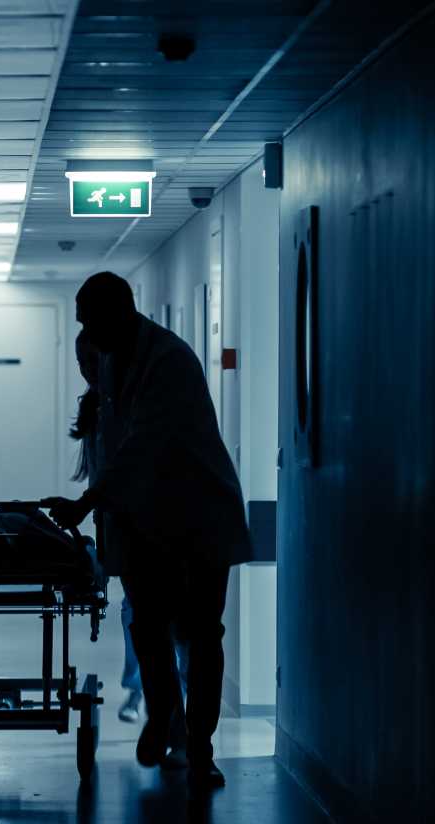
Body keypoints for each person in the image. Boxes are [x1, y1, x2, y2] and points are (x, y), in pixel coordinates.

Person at [47, 272, 251, 790]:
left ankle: (199, 749)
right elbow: (113, 450)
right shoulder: (111, 358)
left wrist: (87, 503)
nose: (86, 335)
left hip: (198, 516)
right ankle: (164, 718)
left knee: (202, 635)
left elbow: (143, 444)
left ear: (120, 312)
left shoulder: (170, 360)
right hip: (142, 519)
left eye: (90, 322)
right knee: (149, 628)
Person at [69, 331, 190, 761]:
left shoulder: (140, 403)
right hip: (128, 534)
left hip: (167, 531)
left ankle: (180, 731)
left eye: (94, 360)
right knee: (145, 625)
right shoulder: (96, 408)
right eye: (81, 362)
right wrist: (103, 551)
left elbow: (127, 473)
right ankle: (167, 720)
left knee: (176, 632)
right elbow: (100, 480)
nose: (88, 370)